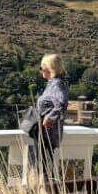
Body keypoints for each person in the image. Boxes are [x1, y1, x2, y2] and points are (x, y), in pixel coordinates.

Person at [29, 53, 69, 182]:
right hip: (44, 132)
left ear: (49, 68)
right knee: (41, 165)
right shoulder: (53, 83)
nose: (40, 70)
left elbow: (61, 104)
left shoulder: (58, 84)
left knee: (42, 166)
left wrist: (50, 118)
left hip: (47, 133)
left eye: (42, 68)